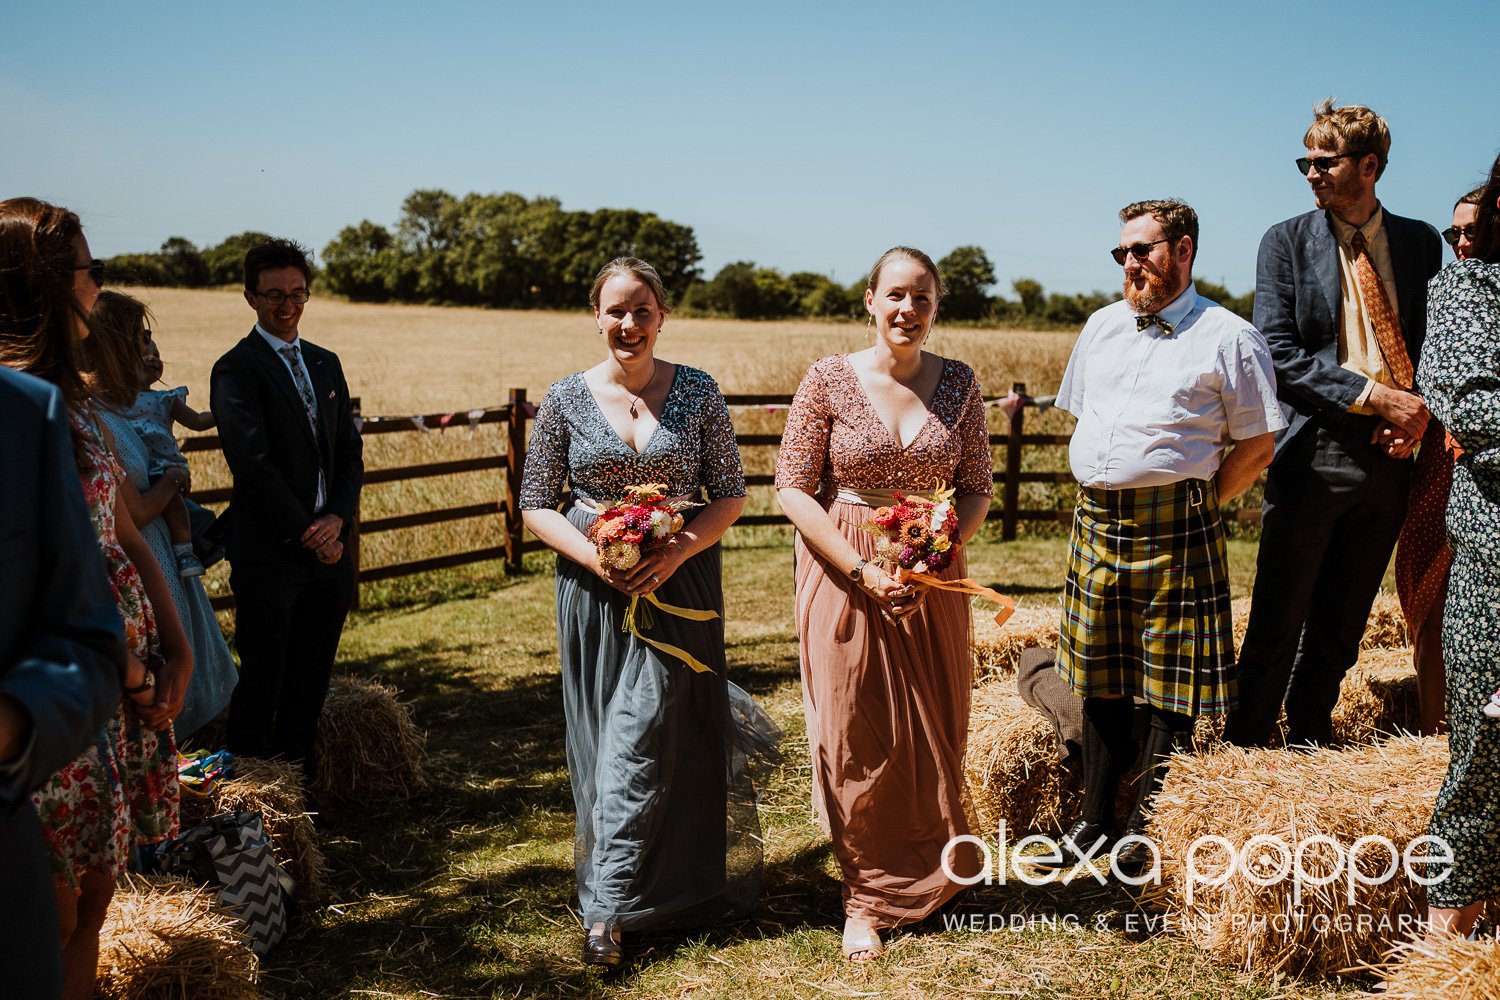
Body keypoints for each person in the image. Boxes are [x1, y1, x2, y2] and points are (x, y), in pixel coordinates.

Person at [518, 257, 777, 968]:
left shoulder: (698, 391)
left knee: (655, 731)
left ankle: (611, 908)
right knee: (608, 737)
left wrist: (678, 549)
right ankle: (638, 891)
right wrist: (596, 556)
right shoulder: (566, 398)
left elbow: (729, 492)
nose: (628, 324)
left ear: (662, 316)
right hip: (594, 591)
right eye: (615, 311)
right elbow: (535, 501)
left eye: (641, 311)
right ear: (595, 315)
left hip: (681, 585)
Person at [775, 246, 1007, 961]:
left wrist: (932, 555)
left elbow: (977, 487)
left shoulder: (960, 382)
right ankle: (866, 897)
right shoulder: (827, 380)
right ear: (870, 300)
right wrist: (862, 568)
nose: (908, 310)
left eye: (923, 299)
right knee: (854, 728)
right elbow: (790, 487)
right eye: (896, 296)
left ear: (936, 309)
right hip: (843, 562)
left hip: (932, 570)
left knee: (933, 718)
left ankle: (931, 873)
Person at [1047, 201, 1283, 868]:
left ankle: (1144, 835)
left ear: (1183, 251)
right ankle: (1094, 824)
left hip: (1176, 528)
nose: (1130, 263)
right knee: (1100, 674)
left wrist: (1197, 500)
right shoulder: (1100, 328)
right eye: (1122, 252)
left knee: (1168, 686)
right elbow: (1085, 418)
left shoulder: (1228, 337)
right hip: (1096, 522)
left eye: (1143, 250)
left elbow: (1258, 445)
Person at [1, 196, 190, 1000]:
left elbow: (125, 538)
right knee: (48, 910)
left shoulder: (67, 408)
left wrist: (176, 648)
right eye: (88, 270)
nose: (97, 288)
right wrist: (136, 673)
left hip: (111, 696)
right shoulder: (10, 410)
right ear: (43, 282)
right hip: (45, 709)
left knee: (94, 903)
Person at [1225, 100, 1443, 749]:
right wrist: (1379, 398)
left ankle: (1309, 742)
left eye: (1326, 161)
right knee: (1277, 618)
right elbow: (1277, 350)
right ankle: (1244, 747)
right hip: (1313, 449)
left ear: (1369, 166)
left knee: (1343, 624)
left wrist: (1415, 416)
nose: (1311, 173)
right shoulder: (1285, 240)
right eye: (1306, 161)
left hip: (1393, 457)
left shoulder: (1420, 242)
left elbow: (1435, 343)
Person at [210, 238, 363, 785]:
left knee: (310, 682)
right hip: (271, 554)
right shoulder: (235, 369)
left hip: (330, 551)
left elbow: (348, 452)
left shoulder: (325, 363)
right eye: (274, 295)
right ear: (250, 296)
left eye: (297, 293)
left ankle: (301, 803)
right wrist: (308, 531)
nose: (287, 305)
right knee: (263, 682)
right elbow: (253, 465)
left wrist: (337, 520)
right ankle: (249, 812)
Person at [0, 362, 126, 1000]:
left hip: (13, 802)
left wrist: (16, 720)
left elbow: (84, 635)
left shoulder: (26, 412)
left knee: (86, 899)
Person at [86, 290, 237, 740]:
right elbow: (134, 509)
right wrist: (172, 481)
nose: (147, 346)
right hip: (139, 565)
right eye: (139, 336)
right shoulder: (93, 415)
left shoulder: (120, 405)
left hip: (160, 558)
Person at [1417, 151, 1500, 939]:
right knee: (1484, 752)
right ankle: (1448, 946)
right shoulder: (1469, 290)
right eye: (1457, 232)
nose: (1463, 243)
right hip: (1493, 559)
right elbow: (1476, 408)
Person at [1394, 187, 1485, 736]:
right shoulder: (1443, 294)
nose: (1462, 243)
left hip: (1487, 466)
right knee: (1432, 596)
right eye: (1454, 233)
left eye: (1474, 231)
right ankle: (1435, 739)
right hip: (1438, 465)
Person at [121, 334, 216, 578]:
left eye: (157, 355)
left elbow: (196, 421)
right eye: (145, 355)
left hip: (162, 466)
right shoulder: (113, 402)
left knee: (173, 502)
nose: (153, 359)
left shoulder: (165, 399)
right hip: (133, 469)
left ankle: (185, 551)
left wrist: (225, 411)